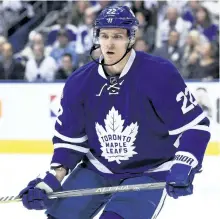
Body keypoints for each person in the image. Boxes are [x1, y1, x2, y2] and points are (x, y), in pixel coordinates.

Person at [19, 6, 211, 219]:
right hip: (98, 168)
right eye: (104, 35)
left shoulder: (159, 73)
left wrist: (185, 163)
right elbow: (70, 141)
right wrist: (51, 179)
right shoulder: (79, 82)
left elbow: (195, 126)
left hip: (149, 171)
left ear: (131, 38)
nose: (109, 43)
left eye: (118, 36)